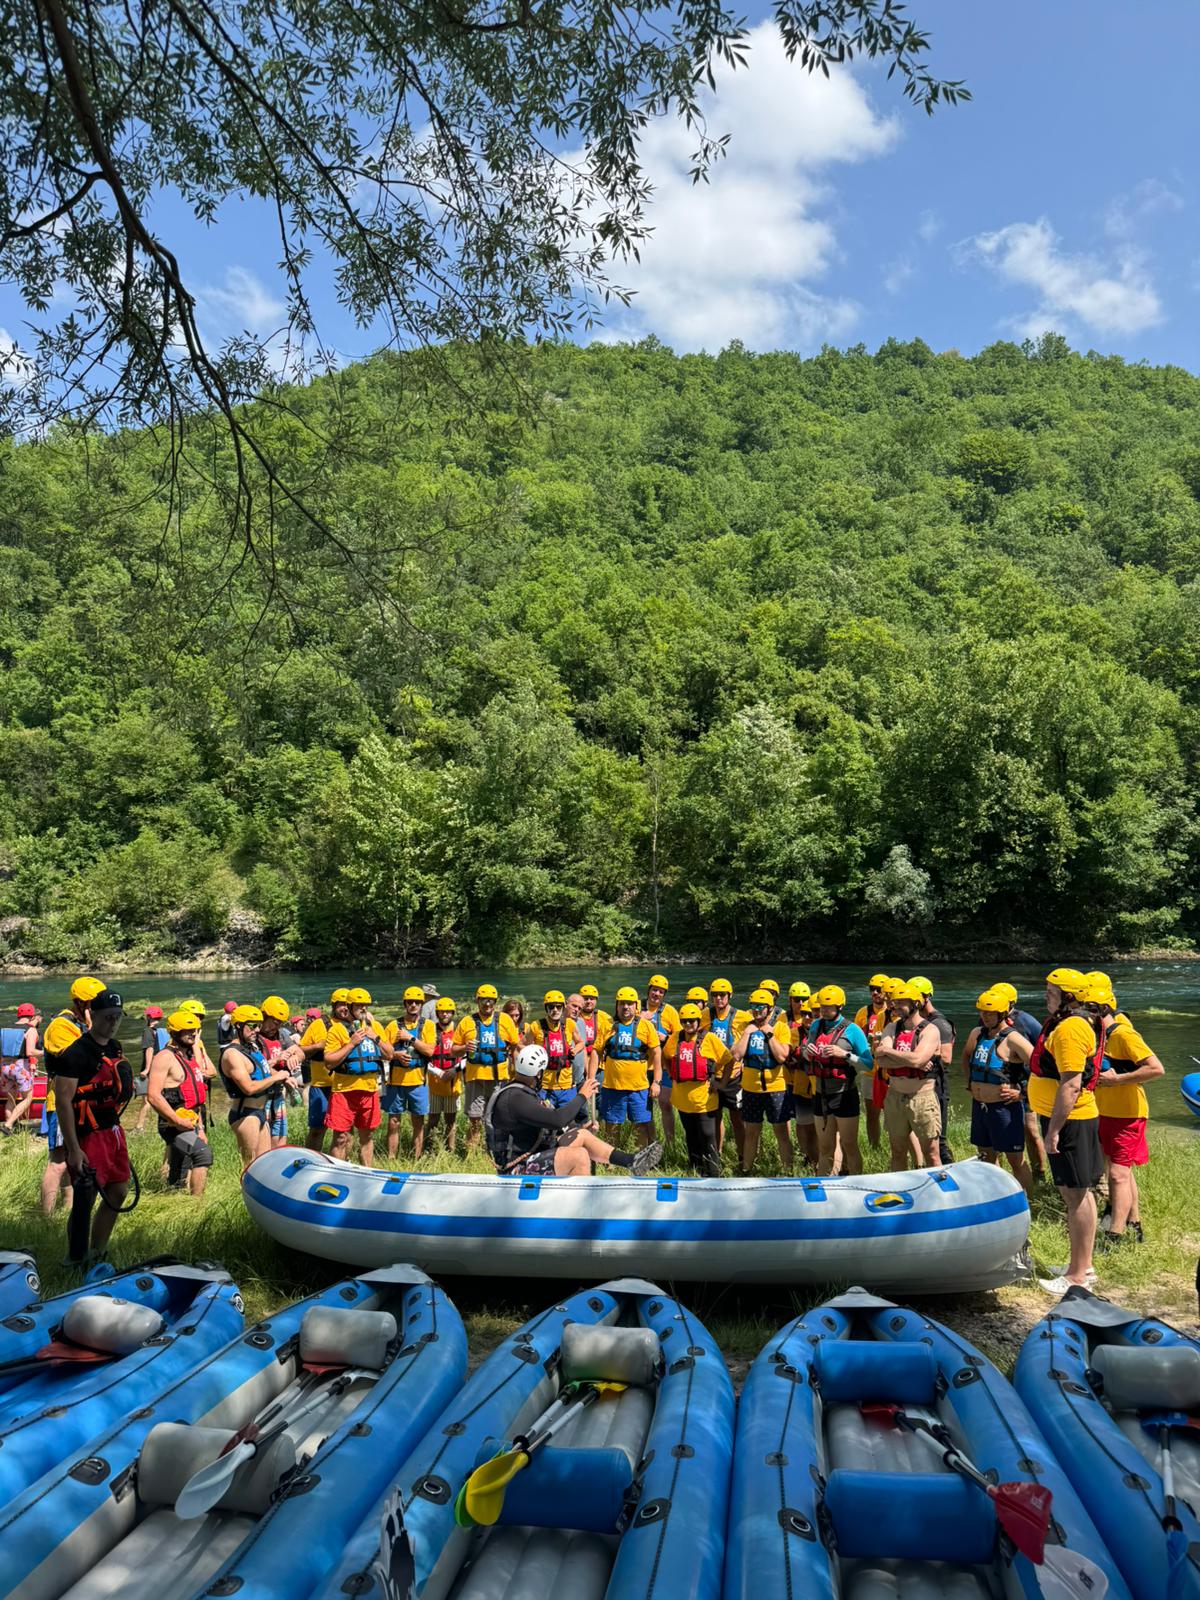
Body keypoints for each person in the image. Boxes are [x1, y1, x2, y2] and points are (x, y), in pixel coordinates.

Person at [1028, 968, 1104, 1293]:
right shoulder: (1068, 1023)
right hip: (1066, 1119)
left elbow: (1071, 1085)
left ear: (1068, 998)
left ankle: (1077, 1277)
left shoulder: (1071, 1029)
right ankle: (1082, 1265)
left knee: (1076, 1195)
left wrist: (1054, 1130)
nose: (1046, 995)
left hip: (1070, 1121)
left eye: (1051, 991)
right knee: (1076, 1193)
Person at [485, 1045, 662, 1177]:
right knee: (578, 1156)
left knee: (581, 1135)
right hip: (515, 1169)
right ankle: (580, 1211)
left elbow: (551, 1125)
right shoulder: (515, 1097)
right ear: (538, 1073)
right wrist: (582, 1096)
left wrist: (581, 1127)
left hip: (531, 1155)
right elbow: (557, 1119)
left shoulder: (520, 1092)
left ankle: (631, 1162)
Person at [53, 988, 133, 1268]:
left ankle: (98, 1252)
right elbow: (62, 1102)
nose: (112, 1023)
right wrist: (73, 1150)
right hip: (87, 1135)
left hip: (112, 1130)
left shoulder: (115, 1046)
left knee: (119, 1191)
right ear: (92, 1015)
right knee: (85, 1196)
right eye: (107, 1017)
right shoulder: (76, 1053)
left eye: (117, 1017)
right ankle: (74, 1259)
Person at [1085, 977, 1163, 1246]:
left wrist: (1116, 1079)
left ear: (1105, 1009)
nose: (1087, 1015)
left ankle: (1114, 1236)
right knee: (1120, 1172)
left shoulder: (1123, 1034)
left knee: (1117, 1174)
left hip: (1128, 1113)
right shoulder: (1097, 1036)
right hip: (1103, 1111)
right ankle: (1135, 1224)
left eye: (1092, 1009)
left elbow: (1156, 1068)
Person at [41, 976, 106, 1216]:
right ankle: (46, 1217)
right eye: (93, 1004)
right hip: (60, 1102)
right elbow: (77, 1059)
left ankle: (67, 1210)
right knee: (58, 1161)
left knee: (73, 1159)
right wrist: (92, 1030)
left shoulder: (82, 1024)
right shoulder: (61, 1026)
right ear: (79, 1004)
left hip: (81, 1103)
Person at [962, 988, 1033, 1197]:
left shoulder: (1014, 1039)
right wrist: (970, 1081)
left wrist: (1022, 1093)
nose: (984, 1017)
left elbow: (1040, 1067)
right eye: (982, 1012)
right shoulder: (977, 1033)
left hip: (1005, 1108)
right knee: (985, 1158)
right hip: (980, 1106)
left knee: (1015, 1159)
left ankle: (1029, 1201)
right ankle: (994, 1198)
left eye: (989, 1013)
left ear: (1003, 1014)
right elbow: (966, 1056)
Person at [803, 985, 871, 1177]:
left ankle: (857, 1182)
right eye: (821, 1006)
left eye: (829, 1006)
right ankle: (823, 1186)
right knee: (825, 1148)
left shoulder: (853, 1030)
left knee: (849, 1145)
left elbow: (869, 1064)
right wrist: (808, 1052)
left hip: (845, 1095)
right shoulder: (816, 1026)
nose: (823, 1010)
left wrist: (845, 1054)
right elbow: (806, 1052)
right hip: (821, 1095)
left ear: (840, 1006)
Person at [875, 982, 942, 1170]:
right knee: (897, 1151)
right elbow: (881, 1060)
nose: (896, 1006)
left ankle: (937, 1192)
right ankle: (901, 1191)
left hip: (922, 1098)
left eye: (901, 1003)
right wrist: (912, 1060)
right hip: (895, 1096)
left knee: (931, 1152)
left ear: (916, 1004)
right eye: (895, 1002)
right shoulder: (891, 1028)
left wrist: (891, 1052)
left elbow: (918, 1059)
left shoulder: (930, 1030)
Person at [147, 1009, 213, 1195]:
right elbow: (153, 1096)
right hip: (171, 1123)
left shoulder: (189, 1056)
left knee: (179, 1167)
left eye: (195, 1030)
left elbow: (195, 1100)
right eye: (187, 1030)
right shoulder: (164, 1057)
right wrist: (178, 1121)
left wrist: (199, 1128)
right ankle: (197, 1204)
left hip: (190, 1120)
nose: (193, 1034)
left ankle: (171, 1195)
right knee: (202, 1154)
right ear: (175, 1032)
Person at [221, 1004, 294, 1171]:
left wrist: (282, 1074)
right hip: (245, 1114)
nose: (256, 1030)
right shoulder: (232, 1054)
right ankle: (239, 1196)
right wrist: (277, 1076)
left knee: (265, 1165)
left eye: (258, 1025)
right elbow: (248, 1087)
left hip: (260, 1111)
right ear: (238, 1026)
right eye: (251, 1026)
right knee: (250, 1166)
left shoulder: (252, 1048)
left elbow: (265, 1071)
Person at [324, 987, 391, 1167]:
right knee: (340, 1137)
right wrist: (351, 1043)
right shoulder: (337, 1029)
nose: (363, 1009)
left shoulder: (375, 1027)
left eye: (365, 1005)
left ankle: (367, 1174)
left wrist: (375, 1037)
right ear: (350, 1006)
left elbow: (389, 1054)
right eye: (359, 1005)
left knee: (367, 1136)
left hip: (369, 1090)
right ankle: (337, 1172)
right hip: (343, 1091)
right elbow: (329, 1061)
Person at [729, 989, 793, 1175]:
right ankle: (747, 1170)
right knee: (751, 1133)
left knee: (781, 1133)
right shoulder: (744, 1027)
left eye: (760, 1007)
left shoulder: (780, 1027)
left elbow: (782, 1056)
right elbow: (736, 1055)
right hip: (751, 1088)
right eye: (753, 1007)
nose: (756, 1011)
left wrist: (769, 1034)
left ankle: (788, 1173)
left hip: (775, 1087)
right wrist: (748, 1033)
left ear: (770, 1008)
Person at [589, 986, 662, 1148]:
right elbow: (596, 1052)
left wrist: (656, 1081)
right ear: (617, 1005)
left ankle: (639, 1160)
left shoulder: (646, 1026)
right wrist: (591, 1079)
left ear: (636, 1006)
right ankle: (611, 1162)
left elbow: (657, 1053)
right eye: (622, 1003)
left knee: (640, 1126)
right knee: (612, 1126)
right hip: (612, 1087)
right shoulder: (607, 1025)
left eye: (629, 1003)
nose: (626, 1007)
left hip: (639, 1088)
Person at [992, 981, 1048, 1184]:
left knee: (1031, 1130)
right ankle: (1001, 1178)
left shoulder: (1026, 1022)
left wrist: (1025, 1090)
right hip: (1002, 1084)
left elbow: (1042, 1056)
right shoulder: (988, 1021)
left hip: (1026, 1083)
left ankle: (1039, 1172)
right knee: (998, 1130)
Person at [456, 984, 520, 1148]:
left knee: (497, 1118)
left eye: (491, 1001)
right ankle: (471, 1154)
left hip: (499, 1077)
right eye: (484, 1000)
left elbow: (515, 1045)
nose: (487, 1004)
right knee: (475, 1118)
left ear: (495, 1002)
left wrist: (517, 1072)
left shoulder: (505, 1020)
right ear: (478, 1000)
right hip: (475, 1077)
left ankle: (494, 1151)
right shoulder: (467, 1021)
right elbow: (452, 1051)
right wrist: (465, 1048)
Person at [662, 1004, 724, 1175]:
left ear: (698, 1021)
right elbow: (665, 1055)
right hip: (682, 1098)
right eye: (685, 1021)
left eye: (692, 1021)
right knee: (691, 1134)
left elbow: (728, 1059)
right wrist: (671, 1071)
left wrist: (721, 1081)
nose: (688, 1024)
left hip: (705, 1098)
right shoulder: (675, 1038)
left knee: (708, 1135)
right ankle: (695, 1168)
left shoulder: (709, 1038)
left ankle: (713, 1171)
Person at [910, 977, 955, 1165]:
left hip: (937, 1085)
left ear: (927, 996)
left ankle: (947, 1174)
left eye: (916, 997)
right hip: (921, 1085)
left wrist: (920, 1058)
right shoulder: (916, 1021)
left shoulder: (940, 1023)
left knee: (939, 1140)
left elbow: (946, 1058)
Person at [383, 987, 429, 1161]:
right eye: (410, 1002)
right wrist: (396, 1054)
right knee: (394, 1121)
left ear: (421, 1004)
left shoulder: (428, 1025)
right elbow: (383, 1052)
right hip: (396, 1081)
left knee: (418, 1121)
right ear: (405, 1004)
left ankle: (417, 1158)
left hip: (418, 1081)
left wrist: (410, 1038)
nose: (414, 1005)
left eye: (417, 1002)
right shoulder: (393, 1026)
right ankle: (391, 1158)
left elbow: (430, 1051)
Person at [705, 978, 748, 1160]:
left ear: (729, 996)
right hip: (713, 1076)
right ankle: (716, 1155)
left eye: (722, 995)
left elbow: (754, 1036)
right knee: (714, 1118)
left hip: (734, 1077)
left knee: (738, 1119)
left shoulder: (743, 1016)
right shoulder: (704, 1015)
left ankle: (742, 1155)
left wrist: (745, 1061)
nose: (718, 998)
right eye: (715, 995)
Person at [416, 996, 464, 1150]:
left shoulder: (458, 1031)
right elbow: (424, 1057)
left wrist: (454, 1070)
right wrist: (437, 1072)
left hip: (453, 1082)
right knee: (433, 1119)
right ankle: (428, 1149)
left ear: (453, 1013)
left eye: (448, 1012)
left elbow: (467, 1057)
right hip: (434, 1084)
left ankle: (450, 1150)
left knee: (451, 1120)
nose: (445, 1015)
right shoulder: (430, 1030)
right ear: (437, 1013)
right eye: (441, 1012)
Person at [527, 991, 590, 1107]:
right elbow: (522, 1045)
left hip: (566, 1085)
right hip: (544, 1086)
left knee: (567, 1121)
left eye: (558, 1006)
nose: (555, 1010)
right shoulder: (536, 1026)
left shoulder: (569, 1024)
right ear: (546, 1008)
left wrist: (574, 1050)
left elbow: (581, 1042)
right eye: (551, 1007)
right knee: (545, 1121)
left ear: (563, 1007)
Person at [258, 995, 305, 1148]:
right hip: (261, 1096)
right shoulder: (254, 1037)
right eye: (274, 1023)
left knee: (281, 1135)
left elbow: (300, 1052)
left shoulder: (282, 1034)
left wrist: (295, 1057)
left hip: (278, 1092)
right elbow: (259, 1065)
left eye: (279, 1024)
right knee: (265, 1138)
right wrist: (277, 1061)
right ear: (264, 1016)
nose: (276, 1027)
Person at [784, 983, 818, 1169]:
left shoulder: (825, 1030)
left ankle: (828, 1162)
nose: (806, 1016)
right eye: (797, 1000)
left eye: (810, 1013)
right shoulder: (789, 1028)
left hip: (820, 1085)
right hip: (797, 1082)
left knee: (823, 1126)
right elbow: (784, 1054)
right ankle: (808, 1156)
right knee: (803, 1123)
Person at [642, 974, 680, 1142]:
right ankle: (651, 1142)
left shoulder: (670, 1011)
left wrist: (667, 1038)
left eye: (660, 992)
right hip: (642, 1066)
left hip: (663, 1066)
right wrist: (640, 1018)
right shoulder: (637, 1008)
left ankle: (670, 1143)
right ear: (648, 990)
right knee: (645, 1108)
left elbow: (680, 1037)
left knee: (665, 1103)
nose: (656, 994)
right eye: (654, 990)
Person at [854, 974, 890, 1151]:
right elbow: (854, 1041)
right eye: (872, 989)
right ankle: (874, 1148)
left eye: (879, 989)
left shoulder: (894, 1014)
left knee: (892, 1114)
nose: (875, 993)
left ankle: (895, 1148)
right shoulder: (863, 1013)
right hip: (869, 1071)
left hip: (889, 1072)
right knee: (872, 1114)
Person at [299, 994, 339, 1153]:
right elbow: (301, 1050)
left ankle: (340, 1163)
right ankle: (311, 1160)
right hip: (321, 1086)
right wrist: (318, 1046)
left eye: (346, 1004)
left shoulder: (352, 1025)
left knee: (344, 1131)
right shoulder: (318, 1024)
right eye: (340, 1004)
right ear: (333, 1005)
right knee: (317, 1130)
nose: (344, 1008)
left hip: (345, 1086)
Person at [1, 1002, 41, 1133]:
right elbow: (30, 1052)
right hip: (20, 1067)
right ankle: (8, 1125)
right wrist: (45, 1052)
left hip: (4, 1067)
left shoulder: (4, 1029)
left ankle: (11, 1130)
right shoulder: (30, 1029)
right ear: (32, 1015)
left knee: (11, 1098)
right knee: (28, 1098)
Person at [130, 1005, 168, 1134]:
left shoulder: (148, 1031)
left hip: (152, 1068)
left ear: (148, 1017)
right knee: (162, 1096)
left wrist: (146, 1069)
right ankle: (166, 1122)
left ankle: (139, 1127)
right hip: (164, 1066)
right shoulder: (164, 1030)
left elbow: (149, 1049)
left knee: (146, 1099)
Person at [576, 986, 610, 1063]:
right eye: (585, 999)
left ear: (596, 1001)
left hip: (598, 1059)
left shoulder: (604, 1017)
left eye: (591, 999)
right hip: (580, 1059)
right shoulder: (574, 1016)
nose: (589, 1001)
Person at [565, 994, 590, 1087]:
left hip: (580, 1078)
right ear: (566, 1004)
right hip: (564, 1079)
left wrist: (587, 1073)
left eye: (580, 1008)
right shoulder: (558, 1023)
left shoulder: (581, 1022)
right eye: (574, 1006)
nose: (576, 1010)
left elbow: (583, 1048)